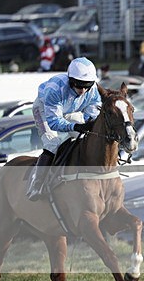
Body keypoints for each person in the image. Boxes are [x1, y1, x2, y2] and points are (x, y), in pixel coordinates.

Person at [26, 57, 101, 201]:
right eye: (79, 86)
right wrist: (77, 126)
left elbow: (92, 114)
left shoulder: (93, 91)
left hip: (69, 111)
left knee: (86, 137)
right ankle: (36, 185)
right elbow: (54, 122)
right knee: (52, 143)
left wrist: (87, 124)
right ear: (71, 80)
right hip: (44, 110)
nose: (83, 91)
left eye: (87, 86)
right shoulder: (55, 89)